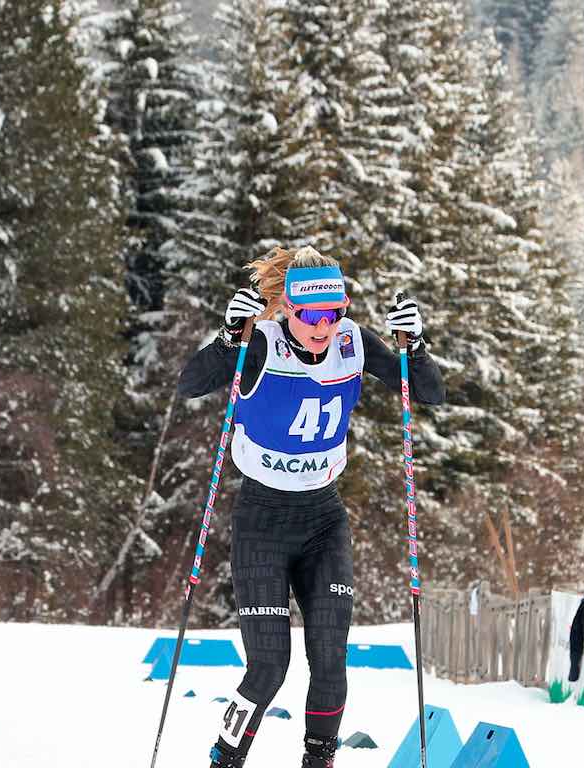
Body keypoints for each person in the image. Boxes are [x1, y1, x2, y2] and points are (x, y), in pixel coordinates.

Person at [176, 246, 445, 768]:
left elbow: (427, 392)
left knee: (329, 661)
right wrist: (229, 337)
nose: (324, 326)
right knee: (268, 666)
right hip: (261, 521)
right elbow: (190, 384)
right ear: (288, 311)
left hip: (323, 520)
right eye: (311, 315)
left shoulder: (355, 344)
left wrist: (417, 348)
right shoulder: (261, 346)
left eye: (335, 313)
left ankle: (318, 761)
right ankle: (224, 761)